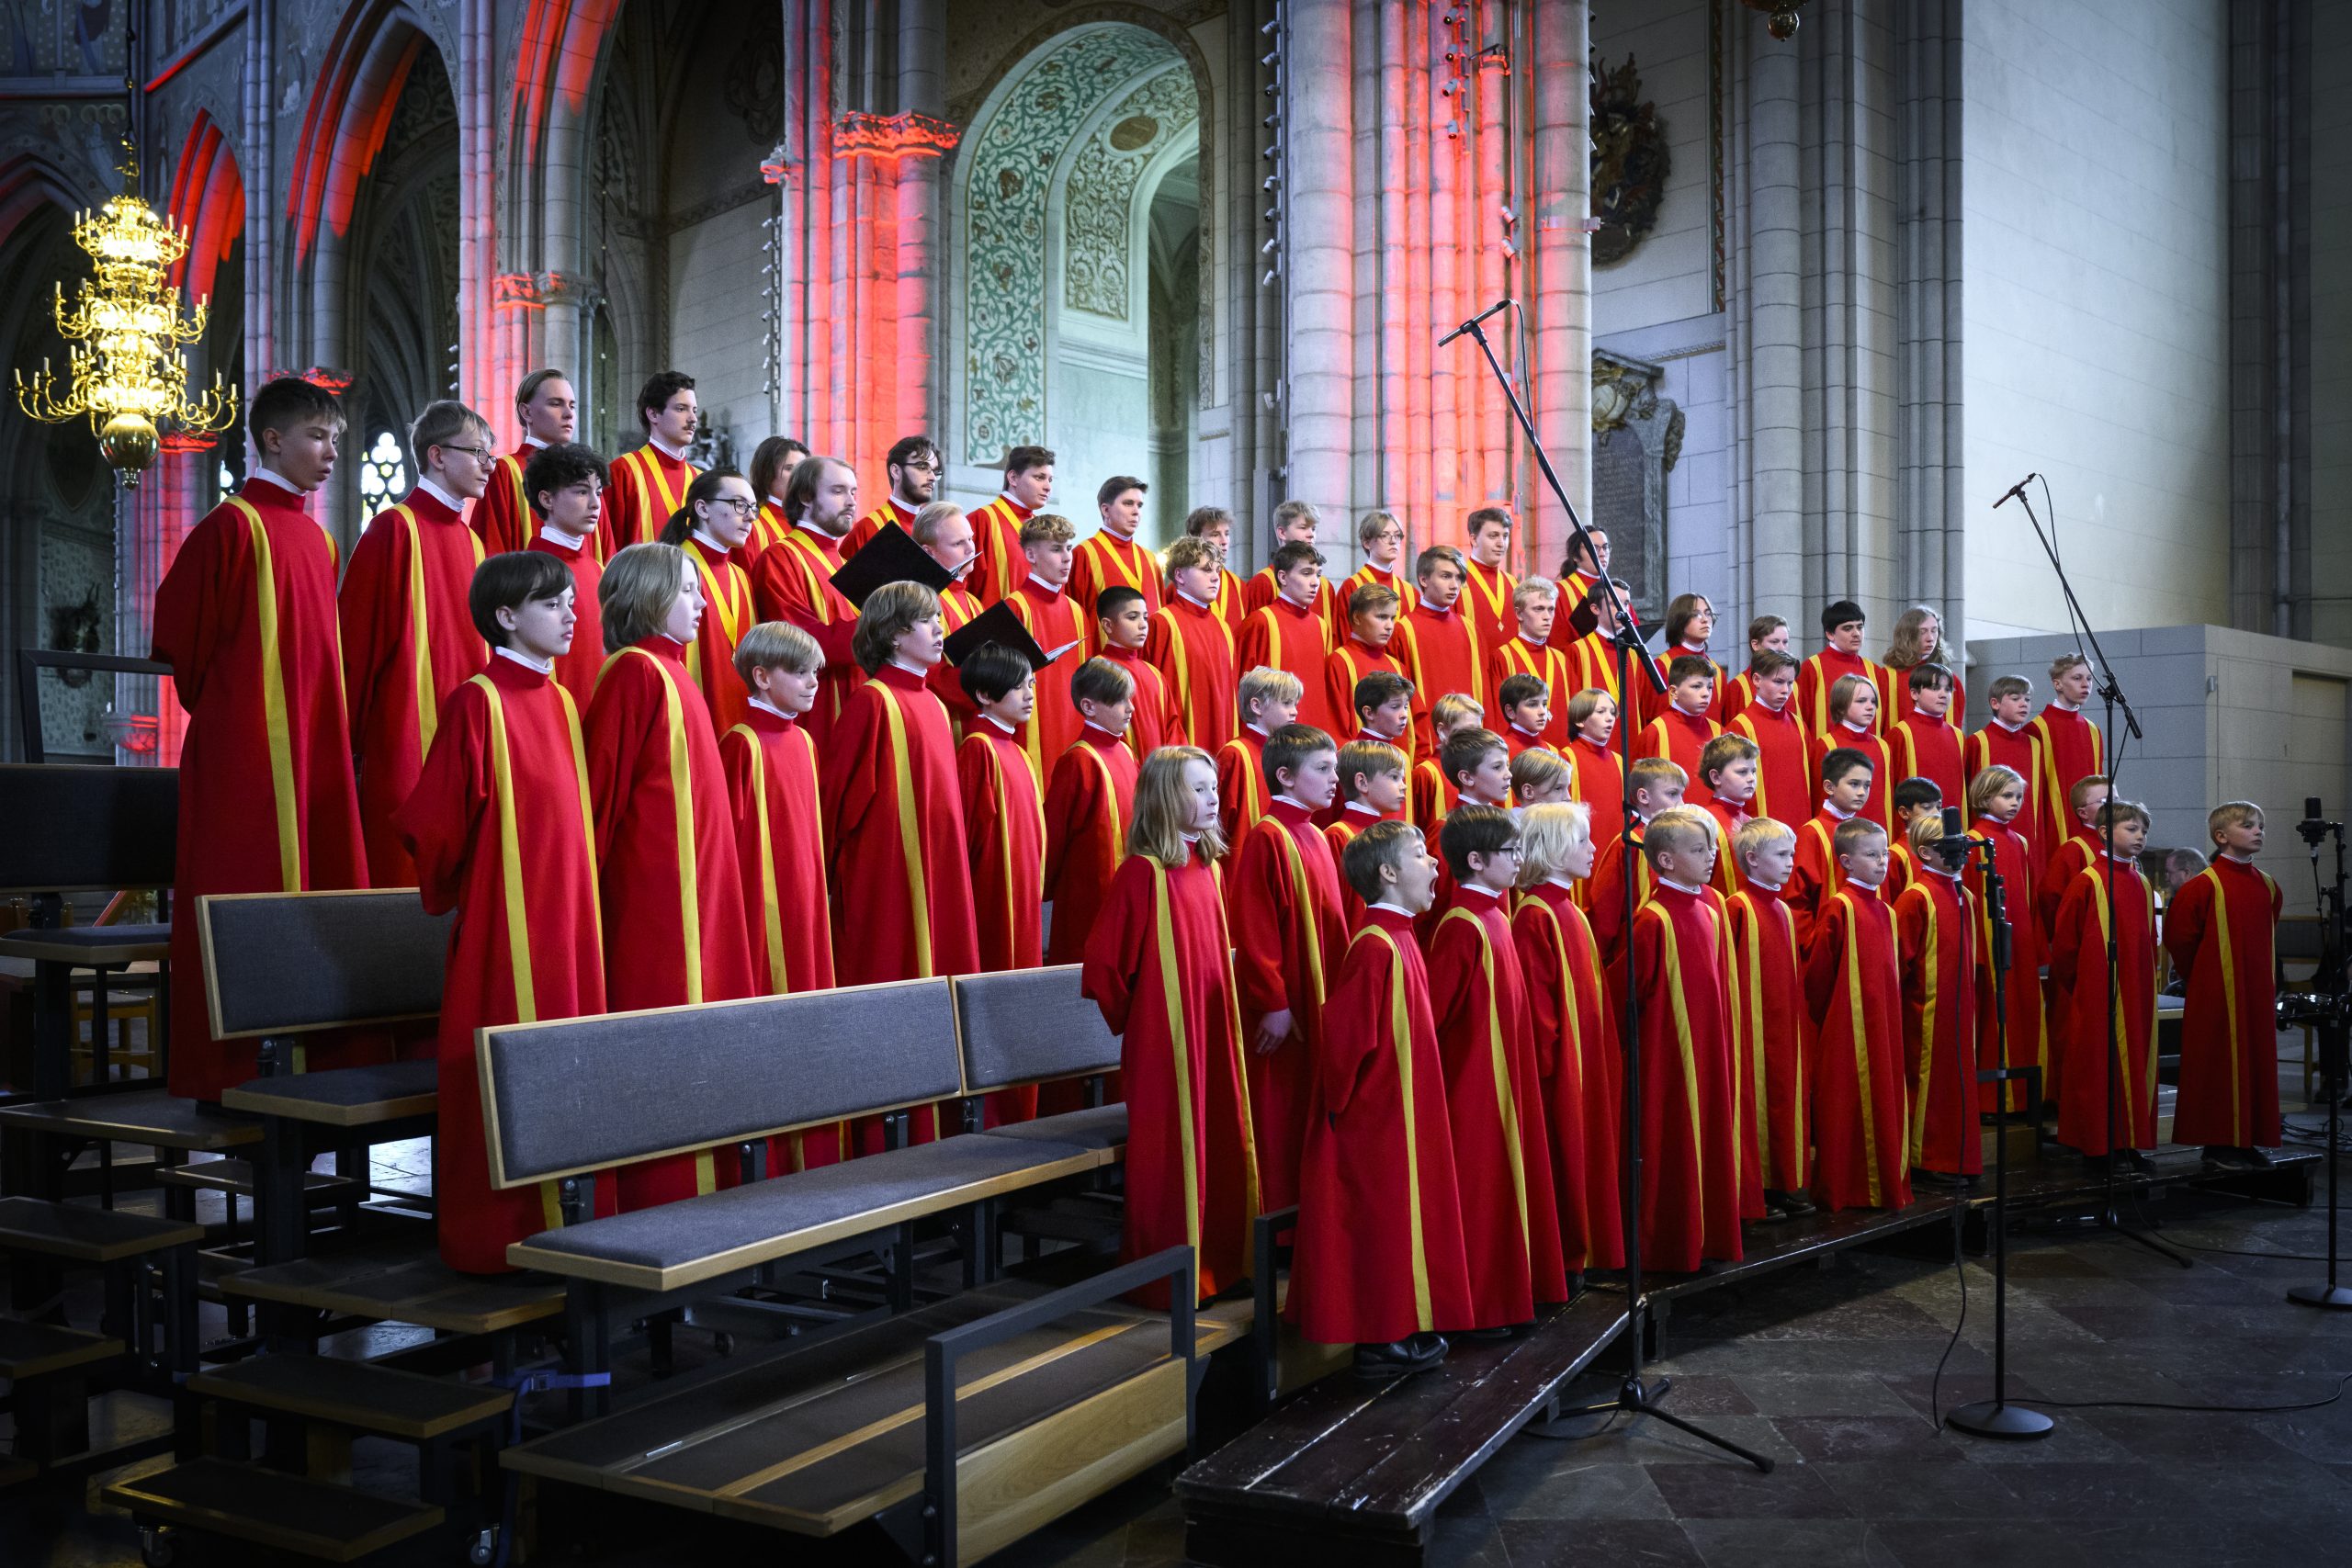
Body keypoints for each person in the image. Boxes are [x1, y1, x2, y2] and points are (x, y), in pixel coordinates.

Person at [152, 376, 370, 1099]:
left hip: (311, 750)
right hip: (245, 757)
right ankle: (231, 1076)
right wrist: (243, 717)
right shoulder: (230, 525)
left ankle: (311, 1075)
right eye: (317, 435)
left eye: (336, 438)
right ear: (272, 440)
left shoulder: (318, 535)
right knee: (241, 901)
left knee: (315, 896)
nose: (331, 451)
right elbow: (181, 639)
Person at [395, 551, 605, 1270]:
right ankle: (498, 1239)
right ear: (507, 615)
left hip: (568, 924)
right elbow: (433, 825)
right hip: (507, 927)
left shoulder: (563, 702)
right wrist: (482, 898)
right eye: (554, 603)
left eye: (572, 601)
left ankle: (571, 1232)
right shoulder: (476, 700)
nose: (572, 614)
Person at [583, 543, 757, 1206]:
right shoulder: (634, 671)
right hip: (658, 899)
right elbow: (601, 795)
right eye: (688, 589)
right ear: (649, 594)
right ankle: (664, 1197)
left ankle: (704, 1193)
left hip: (695, 889)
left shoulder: (675, 674)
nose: (704, 601)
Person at [1290, 821, 1470, 1378]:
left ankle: (1400, 1324)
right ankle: (1377, 1335)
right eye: (1421, 855)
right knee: (1378, 1222)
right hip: (1374, 1117)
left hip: (1400, 1108)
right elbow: (1345, 1043)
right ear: (1388, 873)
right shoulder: (1375, 944)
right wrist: (1349, 1111)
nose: (1436, 864)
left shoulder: (1402, 936)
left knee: (1400, 1218)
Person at [1081, 747, 1259, 1307]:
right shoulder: (1144, 872)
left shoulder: (1206, 867)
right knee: (1174, 1151)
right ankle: (1169, 1277)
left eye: (1213, 788)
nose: (1213, 800)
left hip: (1209, 1029)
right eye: (1198, 789)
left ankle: (1222, 1263)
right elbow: (1104, 968)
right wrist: (1151, 1023)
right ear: (1164, 797)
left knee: (1220, 1137)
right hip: (1168, 1040)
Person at [340, 399, 492, 886]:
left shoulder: (473, 543)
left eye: (490, 455)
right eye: (477, 453)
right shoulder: (393, 529)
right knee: (404, 882)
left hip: (465, 740)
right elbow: (355, 646)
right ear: (437, 455)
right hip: (404, 738)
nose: (489, 466)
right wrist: (354, 745)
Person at [1428, 805, 1569, 1326]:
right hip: (1474, 1086)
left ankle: (1510, 1293)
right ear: (1476, 859)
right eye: (1511, 852)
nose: (1521, 861)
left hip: (1504, 1077)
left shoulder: (1495, 916)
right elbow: (1436, 1019)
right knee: (1483, 1192)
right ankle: (1482, 1304)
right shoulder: (1463, 925)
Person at [821, 581, 982, 1001]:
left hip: (939, 861)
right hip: (888, 872)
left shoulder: (934, 704)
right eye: (927, 620)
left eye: (939, 618)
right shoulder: (872, 701)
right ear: (894, 634)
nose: (939, 628)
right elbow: (838, 800)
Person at [1230, 724, 1348, 1213]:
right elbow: (1255, 927)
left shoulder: (1315, 836)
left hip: (1315, 998)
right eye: (1322, 769)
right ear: (1285, 775)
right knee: (1280, 1114)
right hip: (1287, 1010)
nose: (1334, 779)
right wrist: (1274, 1002)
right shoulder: (1269, 836)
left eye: (1335, 769)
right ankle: (1278, 1221)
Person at [1628, 806, 1744, 1269]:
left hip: (1708, 1047)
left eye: (1712, 846)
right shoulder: (1652, 919)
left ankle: (1711, 1233)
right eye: (1699, 850)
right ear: (1667, 860)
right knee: (1674, 1141)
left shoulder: (1709, 909)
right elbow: (1632, 997)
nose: (1712, 856)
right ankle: (1674, 1241)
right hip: (1670, 1057)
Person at [1513, 802, 1623, 1274]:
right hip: (1560, 1074)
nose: (1593, 848)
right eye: (1581, 840)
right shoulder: (1536, 914)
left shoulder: (1569, 910)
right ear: (1554, 848)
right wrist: (1551, 1076)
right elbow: (1538, 1014)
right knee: (1567, 1159)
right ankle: (1566, 1256)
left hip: (1586, 1062)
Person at [720, 621, 835, 999]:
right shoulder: (741, 743)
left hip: (806, 892)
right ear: (762, 676)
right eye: (800, 672)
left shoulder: (804, 741)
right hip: (762, 900)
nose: (813, 683)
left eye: (814, 672)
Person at [2165, 802, 2282, 1169]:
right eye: (2248, 826)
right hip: (2215, 993)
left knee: (2256, 1062)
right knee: (2217, 1066)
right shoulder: (2204, 886)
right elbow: (2180, 939)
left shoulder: (2268, 886)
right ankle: (2218, 1145)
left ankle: (2248, 1140)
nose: (2258, 831)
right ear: (2221, 837)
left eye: (2260, 825)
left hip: (2257, 992)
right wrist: (2203, 982)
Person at [1804, 818, 1910, 1211]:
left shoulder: (1886, 909)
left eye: (1884, 853)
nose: (1882, 862)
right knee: (1844, 1102)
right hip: (1845, 1024)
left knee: (1884, 1097)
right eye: (1872, 855)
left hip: (1882, 1023)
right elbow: (1818, 973)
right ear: (1846, 861)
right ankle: (1843, 1188)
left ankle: (1882, 1184)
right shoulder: (1840, 906)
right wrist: (1834, 1016)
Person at [2048, 799, 2160, 1169]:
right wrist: (2085, 986)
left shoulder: (2142, 883)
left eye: (2143, 830)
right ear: (2105, 832)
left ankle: (2129, 1142)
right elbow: (2065, 945)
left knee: (2135, 1061)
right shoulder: (2089, 880)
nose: (2140, 836)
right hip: (2098, 990)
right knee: (2097, 1065)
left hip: (2136, 988)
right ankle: (2097, 1146)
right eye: (2131, 829)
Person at [1725, 818, 1815, 1220]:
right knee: (1755, 1097)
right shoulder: (1738, 906)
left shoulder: (1780, 906)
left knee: (1782, 1097)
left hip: (1783, 1021)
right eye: (1781, 855)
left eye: (1791, 854)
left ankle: (1782, 1180)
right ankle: (1755, 1186)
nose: (1790, 863)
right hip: (1751, 1025)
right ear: (1751, 859)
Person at [747, 453, 863, 753]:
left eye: (853, 492)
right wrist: (879, 625)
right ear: (806, 497)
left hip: (857, 715)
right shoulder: (779, 558)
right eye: (838, 491)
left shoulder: (847, 563)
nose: (851, 501)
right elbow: (799, 643)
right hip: (814, 719)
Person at [1894, 814, 1982, 1188]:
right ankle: (1924, 1158)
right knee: (1928, 1079)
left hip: (1959, 1006)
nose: (1960, 854)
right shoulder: (1916, 897)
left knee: (1956, 1081)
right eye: (1951, 848)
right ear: (1926, 852)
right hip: (1925, 1007)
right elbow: (1899, 959)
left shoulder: (1965, 895)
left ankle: (1956, 1154)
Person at [1042, 659, 1142, 967]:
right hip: (1089, 898)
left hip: (1127, 890)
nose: (1130, 709)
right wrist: (1043, 887)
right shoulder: (1078, 761)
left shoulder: (1125, 751)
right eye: (1120, 700)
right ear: (1089, 706)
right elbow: (1054, 834)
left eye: (1130, 699)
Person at [956, 642, 1047, 982]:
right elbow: (967, 836)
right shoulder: (978, 748)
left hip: (1022, 887)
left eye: (1031, 685)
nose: (1029, 695)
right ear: (984, 694)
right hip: (994, 891)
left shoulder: (1019, 753)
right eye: (1017, 686)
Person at [1964, 764, 2047, 1117]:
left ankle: (2024, 1096)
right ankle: (1993, 1100)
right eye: (2006, 796)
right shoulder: (1972, 841)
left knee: (2023, 1011)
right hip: (1989, 939)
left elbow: (2028, 895)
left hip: (2019, 938)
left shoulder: (2019, 841)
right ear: (1984, 796)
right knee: (1995, 1017)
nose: (2015, 803)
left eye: (2019, 797)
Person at [658, 468, 760, 735]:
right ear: (702, 508)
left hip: (739, 718)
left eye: (753, 507)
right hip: (687, 718)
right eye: (739, 505)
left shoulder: (740, 577)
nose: (750, 516)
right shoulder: (672, 566)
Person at [521, 442, 610, 708]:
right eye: (582, 492)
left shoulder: (598, 570)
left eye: (599, 492)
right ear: (547, 499)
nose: (595, 504)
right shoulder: (528, 573)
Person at [1006, 513, 1091, 784]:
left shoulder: (1078, 612)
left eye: (1069, 548)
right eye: (1056, 549)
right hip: (1032, 735)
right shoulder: (1015, 607)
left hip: (1073, 730)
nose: (1067, 558)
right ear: (1030, 554)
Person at [1588, 756, 1686, 966]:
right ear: (1643, 796)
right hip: (1634, 957)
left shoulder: (1681, 840)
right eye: (1672, 794)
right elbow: (1605, 912)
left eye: (1681, 794)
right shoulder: (1629, 843)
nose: (1681, 803)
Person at [1239, 540, 1340, 736]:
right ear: (1283, 577)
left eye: (1318, 574)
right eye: (1306, 573)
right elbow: (1244, 687)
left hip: (1313, 732)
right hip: (1273, 736)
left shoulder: (1321, 625)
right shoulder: (1260, 621)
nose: (1315, 582)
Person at [473, 368, 576, 556]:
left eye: (572, 406)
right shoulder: (506, 472)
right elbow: (491, 553)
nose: (569, 414)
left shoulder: (584, 475)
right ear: (526, 412)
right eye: (556, 404)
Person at [599, 370, 701, 558]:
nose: (693, 418)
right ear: (653, 414)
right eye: (681, 409)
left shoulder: (701, 480)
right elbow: (606, 548)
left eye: (694, 410)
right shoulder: (623, 471)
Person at [1151, 536, 1240, 750]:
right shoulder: (1162, 622)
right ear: (1179, 575)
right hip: (1178, 749)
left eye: (1217, 571)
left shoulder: (1224, 628)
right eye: (1205, 570)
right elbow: (1153, 694)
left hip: (1222, 740)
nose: (1215, 578)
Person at [1964, 674, 2048, 873]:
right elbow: (1971, 796)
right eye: (2015, 698)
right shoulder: (1978, 742)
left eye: (2027, 699)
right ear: (1995, 703)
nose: (2023, 704)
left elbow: (2039, 800)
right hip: (1988, 836)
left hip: (2027, 837)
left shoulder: (2035, 744)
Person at [1791, 748, 1874, 945]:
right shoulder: (1812, 832)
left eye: (1867, 785)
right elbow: (1798, 898)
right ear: (1829, 787)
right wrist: (1811, 947)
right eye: (1854, 784)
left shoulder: (1869, 832)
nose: (1862, 792)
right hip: (1826, 944)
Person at [1404, 546, 1483, 751]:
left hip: (1471, 748)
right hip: (1428, 748)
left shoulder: (1471, 629)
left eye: (1458, 578)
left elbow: (1484, 694)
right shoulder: (1404, 629)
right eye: (1446, 576)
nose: (1454, 585)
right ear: (1423, 579)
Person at [2029, 653, 2105, 855]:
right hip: (2053, 827)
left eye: (2089, 678)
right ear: (2058, 684)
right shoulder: (2037, 729)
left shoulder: (2093, 731)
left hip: (2090, 825)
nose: (2085, 684)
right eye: (2077, 678)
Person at [1217, 666, 1303, 845]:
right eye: (1286, 703)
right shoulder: (1235, 754)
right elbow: (1220, 821)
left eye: (1295, 704)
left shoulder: (1286, 754)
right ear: (1256, 706)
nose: (1294, 711)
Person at [1093, 583, 1181, 755]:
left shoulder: (1155, 674)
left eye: (1145, 618)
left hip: (1159, 776)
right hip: (1122, 769)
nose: (1143, 625)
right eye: (1133, 617)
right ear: (1108, 625)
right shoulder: (1098, 671)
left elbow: (1173, 729)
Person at [1488, 578, 1573, 749]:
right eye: (1538, 609)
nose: (1547, 617)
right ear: (1519, 614)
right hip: (1521, 754)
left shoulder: (1561, 659)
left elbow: (1573, 713)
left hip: (1560, 753)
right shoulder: (1503, 656)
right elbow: (1500, 716)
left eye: (1551, 609)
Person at [966, 445, 1054, 605]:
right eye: (1039, 477)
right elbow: (963, 588)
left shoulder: (1045, 530)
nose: (1048, 487)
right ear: (1013, 478)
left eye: (1050, 479)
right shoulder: (981, 520)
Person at [1242, 500, 1340, 643]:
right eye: (1303, 527)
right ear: (1282, 532)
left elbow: (1333, 639)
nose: (1311, 535)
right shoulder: (1263, 582)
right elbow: (1254, 637)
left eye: (1313, 529)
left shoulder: (1325, 587)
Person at [1070, 474, 1162, 625]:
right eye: (1128, 503)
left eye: (1139, 505)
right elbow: (1074, 618)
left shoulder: (1150, 559)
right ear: (1106, 510)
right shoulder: (1084, 554)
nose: (1136, 511)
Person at [1326, 584, 1411, 748]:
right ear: (1357, 618)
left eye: (1392, 618)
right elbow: (1335, 727)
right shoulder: (1338, 662)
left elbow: (1411, 728)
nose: (1389, 626)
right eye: (1381, 617)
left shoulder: (1398, 666)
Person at [1804, 674, 1892, 831]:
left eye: (1873, 701)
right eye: (1861, 701)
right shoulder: (1826, 745)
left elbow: (1885, 802)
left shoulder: (1883, 746)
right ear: (1840, 706)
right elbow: (1818, 799)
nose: (1870, 707)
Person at [1336, 510, 1419, 666]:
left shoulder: (1410, 592)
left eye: (1397, 535)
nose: (1393, 541)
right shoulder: (1353, 586)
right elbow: (1343, 636)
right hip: (1364, 668)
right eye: (1385, 535)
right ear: (1367, 542)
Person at [2035, 774, 2113, 938]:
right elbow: (2050, 899)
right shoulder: (2073, 850)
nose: (2115, 807)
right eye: (2105, 801)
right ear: (2083, 813)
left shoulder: (2120, 845)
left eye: (2117, 800)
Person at [842, 434, 942, 558]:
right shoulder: (868, 529)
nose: (932, 478)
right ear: (896, 471)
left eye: (935, 471)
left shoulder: (938, 530)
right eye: (922, 467)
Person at [1796, 600, 1885, 737]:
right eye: (1848, 628)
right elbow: (1800, 718)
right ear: (1830, 634)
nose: (1856, 633)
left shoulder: (1874, 670)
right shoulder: (1813, 667)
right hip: (1828, 753)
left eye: (1860, 627)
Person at [1634, 654, 1724, 790]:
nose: (1706, 693)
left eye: (1710, 687)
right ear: (1674, 692)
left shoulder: (1720, 732)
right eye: (1696, 686)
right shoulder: (1655, 732)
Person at [1888, 662, 1964, 809]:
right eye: (1935, 688)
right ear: (1914, 693)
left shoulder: (1958, 736)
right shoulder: (1900, 734)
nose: (1943, 694)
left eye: (1948, 689)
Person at [1411, 693, 1487, 830]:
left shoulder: (1479, 768)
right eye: (1469, 730)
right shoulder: (1426, 773)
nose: (1477, 738)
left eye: (1479, 731)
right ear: (1442, 731)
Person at [1694, 734, 1759, 894]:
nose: (1751, 778)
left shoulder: (1750, 821)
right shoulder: (1703, 821)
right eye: (1742, 772)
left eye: (1753, 771)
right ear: (1716, 777)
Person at [1563, 689, 1623, 851]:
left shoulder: (1619, 761)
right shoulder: (1567, 758)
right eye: (1601, 712)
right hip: (1581, 846)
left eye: (1612, 712)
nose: (1609, 718)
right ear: (1580, 719)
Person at [1881, 605, 1964, 721]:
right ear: (1907, 635)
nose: (1930, 638)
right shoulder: (1886, 678)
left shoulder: (1952, 682)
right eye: (1923, 631)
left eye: (1934, 630)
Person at [1458, 507, 1519, 654]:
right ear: (1473, 539)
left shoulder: (1513, 583)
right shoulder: (1456, 579)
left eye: (1505, 536)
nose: (1501, 543)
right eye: (1493, 536)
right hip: (1473, 669)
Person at [1661, 593, 1726, 722]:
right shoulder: (1661, 666)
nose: (1705, 620)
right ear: (1679, 620)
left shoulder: (1717, 671)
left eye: (1708, 613)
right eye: (1696, 614)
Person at [1181, 504, 1248, 627]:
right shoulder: (1181, 583)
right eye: (1215, 534)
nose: (1224, 541)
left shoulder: (1239, 587)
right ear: (1196, 538)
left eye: (1227, 534)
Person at [745, 434, 811, 555]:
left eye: (803, 470)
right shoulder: (751, 522)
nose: (799, 477)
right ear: (766, 473)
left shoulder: (812, 521)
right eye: (789, 468)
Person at [1721, 614, 1792, 724]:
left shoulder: (1793, 685)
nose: (1782, 648)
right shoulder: (1739, 686)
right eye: (1774, 642)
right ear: (1756, 645)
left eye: (1785, 642)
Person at [1883, 777, 1946, 902]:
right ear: (1904, 813)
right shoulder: (1895, 855)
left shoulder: (1947, 847)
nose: (1936, 814)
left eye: (1939, 807)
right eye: (1927, 807)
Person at [1348, 668, 1418, 761]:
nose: (1405, 715)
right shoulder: (1350, 758)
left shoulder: (1401, 756)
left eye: (1405, 707)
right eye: (1395, 707)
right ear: (1369, 713)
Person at [1495, 674, 1556, 762]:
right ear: (1510, 711)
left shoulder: (1553, 751)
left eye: (1544, 704)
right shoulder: (1499, 751)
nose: (1543, 712)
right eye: (1532, 704)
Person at [1556, 525, 1609, 612]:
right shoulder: (1560, 591)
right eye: (1593, 548)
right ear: (1575, 556)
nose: (1602, 553)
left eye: (1605, 547)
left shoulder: (1617, 591)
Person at [1510, 745, 1572, 810]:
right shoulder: (1512, 820)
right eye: (1558, 788)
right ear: (1528, 792)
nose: (1568, 798)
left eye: (1568, 788)